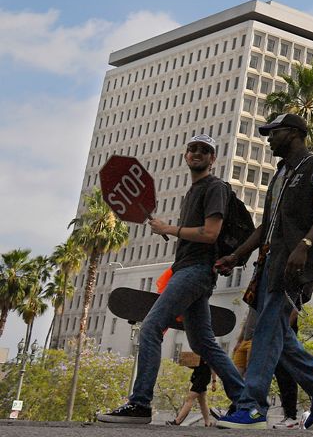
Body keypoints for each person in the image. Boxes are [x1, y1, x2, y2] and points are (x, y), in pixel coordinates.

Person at [98, 134, 247, 425]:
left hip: (196, 271)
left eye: (205, 151)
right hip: (189, 270)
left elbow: (210, 233)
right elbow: (196, 233)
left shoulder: (214, 187)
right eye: (193, 149)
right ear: (185, 155)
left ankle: (140, 404)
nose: (197, 154)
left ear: (212, 158)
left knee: (151, 328)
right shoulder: (193, 191)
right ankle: (245, 401)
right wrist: (168, 229)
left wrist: (171, 227)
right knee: (204, 343)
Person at [213, 113, 313, 429]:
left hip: (294, 263)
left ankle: (253, 406)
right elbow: (265, 226)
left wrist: (305, 245)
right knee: (278, 335)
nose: (269, 138)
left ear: (294, 133)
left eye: (274, 132)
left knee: (267, 331)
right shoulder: (280, 174)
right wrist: (237, 254)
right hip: (270, 263)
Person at [168, 359, 216, 427]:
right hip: (197, 376)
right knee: (202, 401)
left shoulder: (208, 351)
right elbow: (195, 365)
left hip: (203, 377)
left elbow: (213, 366)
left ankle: (177, 421)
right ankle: (208, 423)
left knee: (189, 398)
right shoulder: (199, 352)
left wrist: (214, 381)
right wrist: (187, 362)